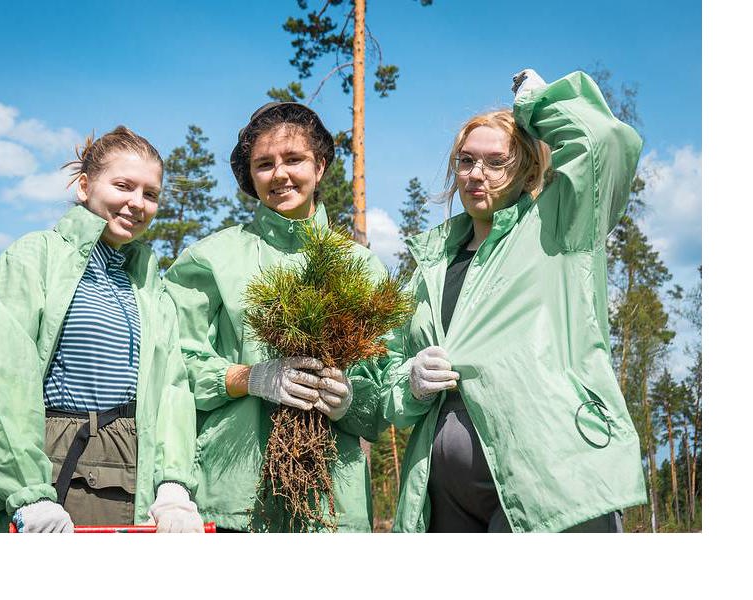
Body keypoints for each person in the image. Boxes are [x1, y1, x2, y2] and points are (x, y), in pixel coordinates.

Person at [381, 69, 647, 532]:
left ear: (526, 170)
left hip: (552, 483)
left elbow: (605, 142)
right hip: (443, 501)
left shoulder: (561, 224)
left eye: (495, 162)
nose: (476, 174)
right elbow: (384, 374)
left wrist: (540, 105)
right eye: (465, 161)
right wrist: (410, 382)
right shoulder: (429, 266)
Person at [0, 126, 204, 533]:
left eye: (151, 194)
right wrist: (30, 494)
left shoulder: (149, 286)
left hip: (135, 474)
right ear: (84, 186)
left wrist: (174, 485)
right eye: (124, 185)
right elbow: (4, 382)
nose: (137, 203)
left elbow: (172, 389)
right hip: (56, 466)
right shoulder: (31, 259)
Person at [163, 103, 388, 532]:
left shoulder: (362, 268)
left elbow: (381, 396)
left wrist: (349, 402)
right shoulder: (209, 261)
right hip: (234, 496)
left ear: (320, 166)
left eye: (294, 159)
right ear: (250, 177)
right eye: (264, 164)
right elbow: (175, 367)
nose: (280, 174)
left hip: (332, 504)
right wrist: (249, 377)